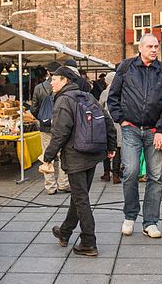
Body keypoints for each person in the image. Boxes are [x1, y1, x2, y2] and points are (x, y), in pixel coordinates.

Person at [45, 64, 117, 257]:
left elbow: (59, 133)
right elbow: (107, 120)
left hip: (75, 155)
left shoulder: (63, 101)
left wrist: (47, 158)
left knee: (81, 199)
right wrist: (110, 146)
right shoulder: (88, 96)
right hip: (91, 154)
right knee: (79, 196)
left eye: (54, 78)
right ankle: (65, 231)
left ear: (65, 80)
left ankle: (88, 241)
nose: (51, 82)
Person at [107, 33, 162, 238]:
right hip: (132, 129)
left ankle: (150, 222)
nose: (154, 50)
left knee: (156, 176)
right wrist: (121, 120)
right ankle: (130, 215)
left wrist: (161, 129)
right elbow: (113, 97)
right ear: (140, 48)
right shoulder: (126, 68)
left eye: (156, 46)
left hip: (154, 131)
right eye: (150, 46)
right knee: (131, 171)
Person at [35, 62, 69, 195]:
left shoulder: (39, 88)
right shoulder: (63, 86)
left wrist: (42, 118)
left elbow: (34, 108)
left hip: (45, 127)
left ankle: (50, 186)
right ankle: (63, 184)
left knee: (46, 155)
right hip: (61, 126)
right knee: (62, 155)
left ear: (48, 72)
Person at [98, 71, 122, 182]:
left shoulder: (104, 93)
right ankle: (116, 174)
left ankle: (106, 173)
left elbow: (99, 108)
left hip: (106, 123)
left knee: (107, 147)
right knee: (117, 147)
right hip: (118, 122)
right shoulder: (122, 91)